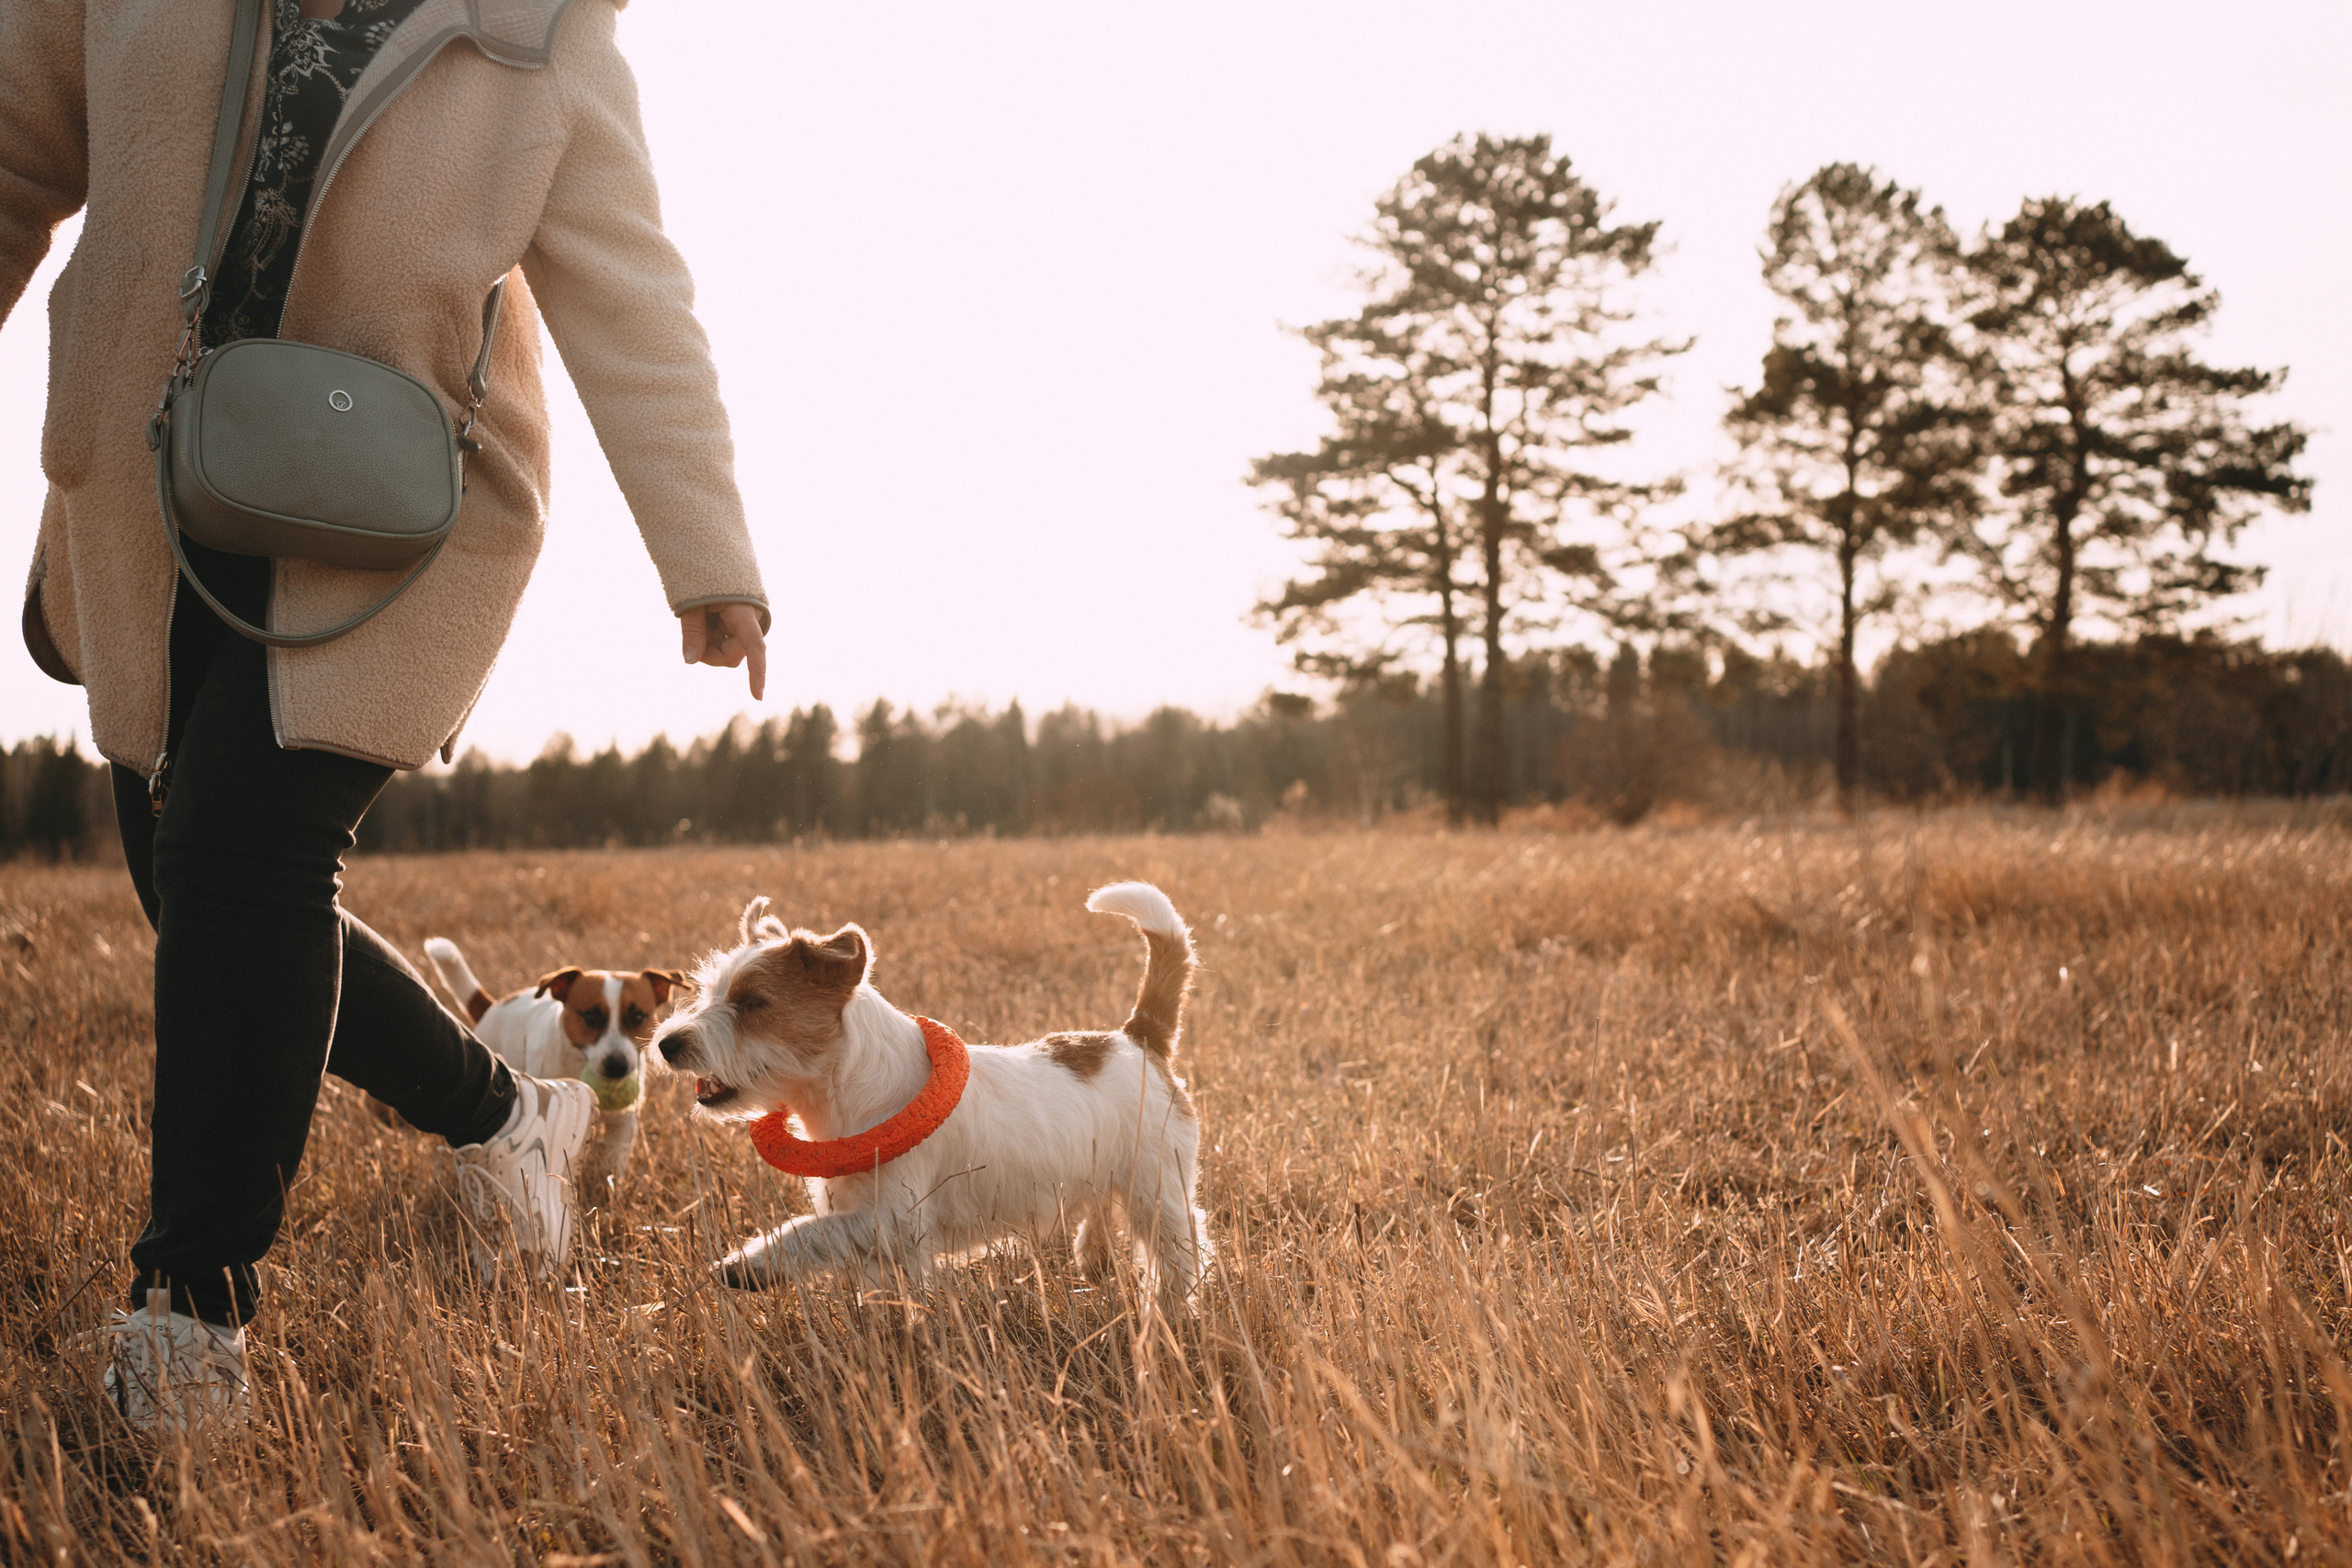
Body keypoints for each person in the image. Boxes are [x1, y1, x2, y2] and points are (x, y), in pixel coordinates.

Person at [0, 0, 771, 1432]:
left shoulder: (539, 30)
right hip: (154, 480)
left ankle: (189, 1319)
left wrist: (707, 550)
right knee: (193, 887)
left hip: (393, 510)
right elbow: (10, 153)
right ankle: (506, 1114)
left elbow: (627, 288)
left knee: (243, 859)